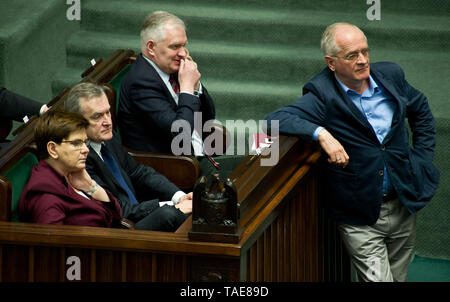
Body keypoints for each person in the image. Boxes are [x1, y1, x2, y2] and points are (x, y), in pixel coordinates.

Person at [265, 22, 439, 282]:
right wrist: (322, 134)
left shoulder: (391, 76)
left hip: (403, 200)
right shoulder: (322, 93)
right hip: (360, 213)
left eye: (365, 51)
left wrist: (422, 158)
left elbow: (421, 109)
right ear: (331, 62)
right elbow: (275, 119)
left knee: (398, 277)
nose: (362, 60)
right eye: (351, 55)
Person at [64, 82, 192, 232]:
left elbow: (139, 172)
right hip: (120, 229)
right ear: (76, 121)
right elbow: (118, 209)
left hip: (137, 212)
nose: (108, 122)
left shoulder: (109, 139)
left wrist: (179, 197)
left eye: (108, 112)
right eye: (97, 116)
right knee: (170, 214)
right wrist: (172, 205)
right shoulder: (80, 158)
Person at [117, 11, 216, 158]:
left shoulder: (171, 67)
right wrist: (188, 89)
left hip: (195, 153)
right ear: (151, 47)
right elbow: (180, 133)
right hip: (171, 166)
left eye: (184, 46)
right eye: (175, 46)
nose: (183, 53)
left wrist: (196, 86)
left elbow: (208, 118)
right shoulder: (141, 83)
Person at [19, 110, 123, 228]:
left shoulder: (70, 176)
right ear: (53, 149)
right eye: (77, 143)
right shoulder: (46, 198)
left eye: (85, 142)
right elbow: (55, 243)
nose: (86, 149)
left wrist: (90, 186)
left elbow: (117, 216)